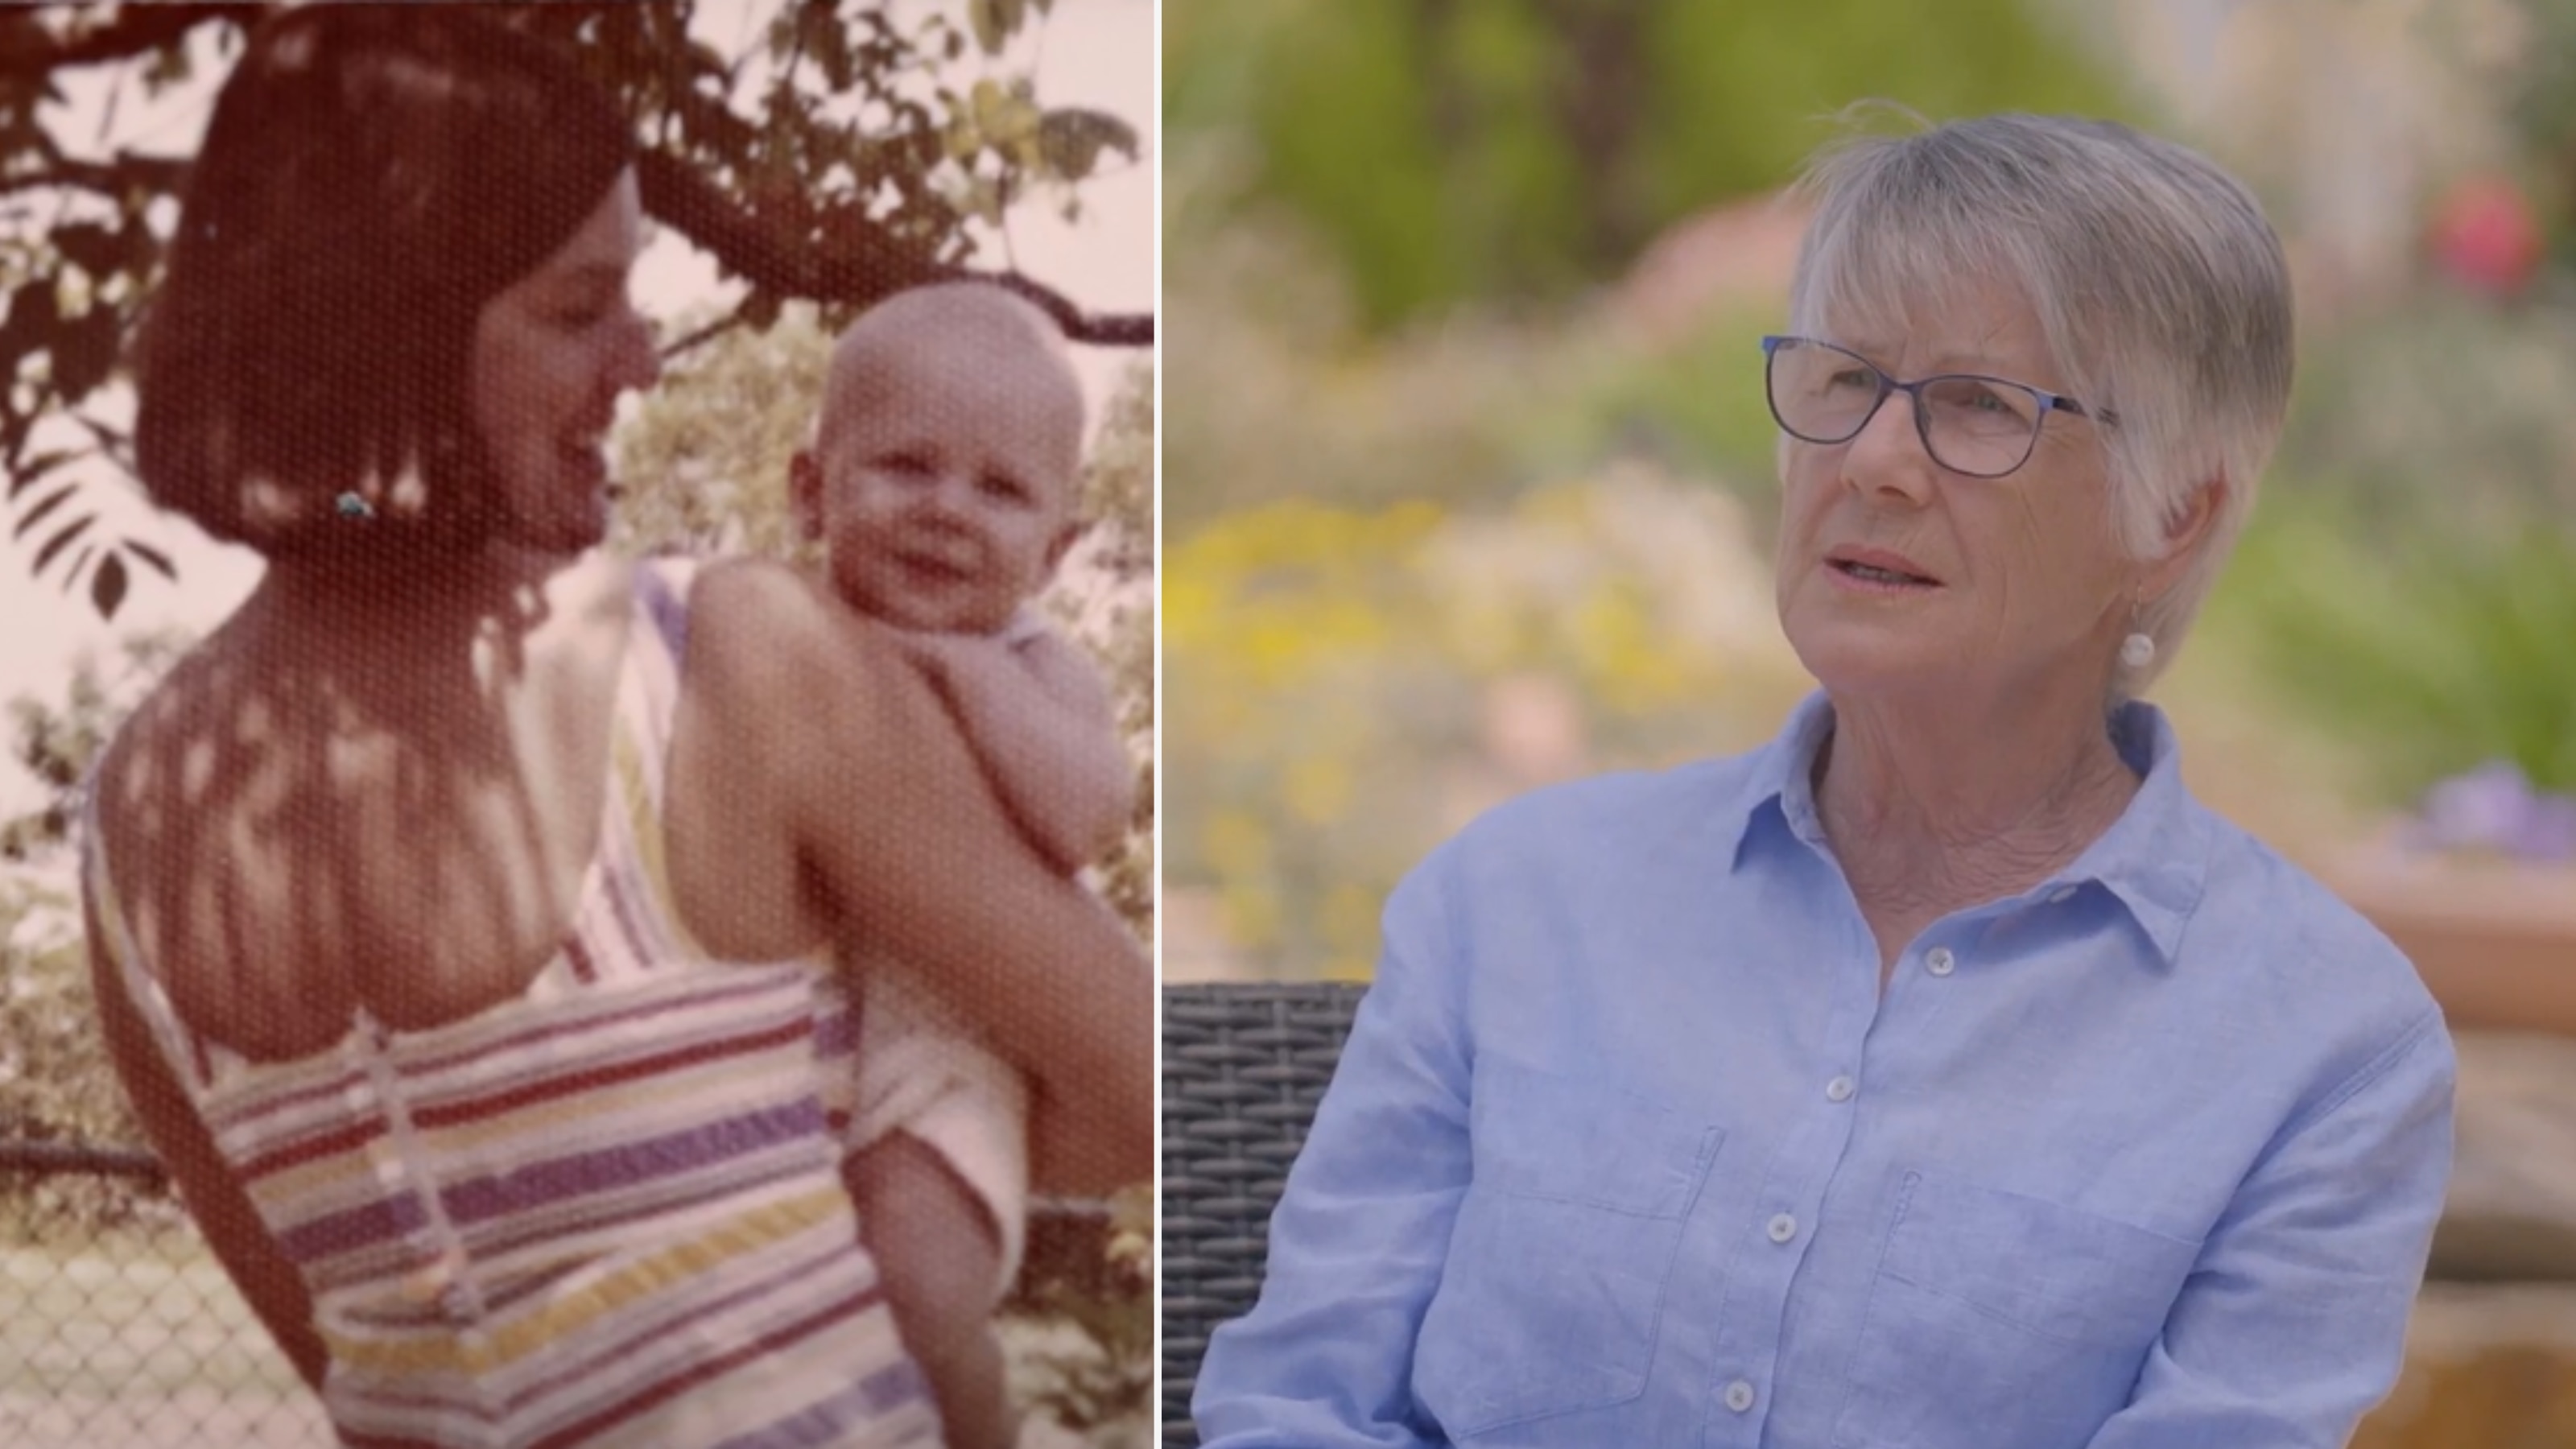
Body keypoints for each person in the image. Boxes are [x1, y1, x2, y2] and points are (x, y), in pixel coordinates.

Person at [1193, 113, 2455, 1449]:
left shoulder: (2327, 1051)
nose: (1872, 462)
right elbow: (1293, 1410)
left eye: (1980, 406)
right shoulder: (1508, 904)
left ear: (2174, 514)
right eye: (1844, 379)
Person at [81, 9, 1149, 1447]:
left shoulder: (129, 826)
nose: (643, 360)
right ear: (391, 322)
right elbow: (1145, 1087)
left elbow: (343, 1362)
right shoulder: (719, 665)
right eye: (582, 310)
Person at [786, 283, 1136, 1449]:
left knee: (914, 1286)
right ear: (807, 491)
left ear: (1057, 549)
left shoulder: (1036, 664)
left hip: (950, 1053)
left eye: (999, 489)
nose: (947, 510)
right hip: (778, 1034)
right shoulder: (777, 638)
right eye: (905, 467)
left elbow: (1085, 817)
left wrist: (966, 676)